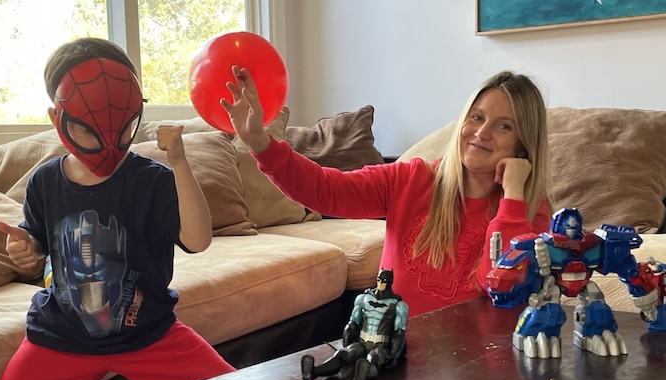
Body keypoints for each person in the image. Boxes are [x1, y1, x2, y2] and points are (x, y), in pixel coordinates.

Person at [0, 37, 234, 380]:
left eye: (121, 128)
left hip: (149, 333)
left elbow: (198, 240)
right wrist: (25, 250)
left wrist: (179, 162)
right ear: (58, 120)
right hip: (61, 336)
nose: (107, 144)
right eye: (88, 131)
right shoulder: (44, 182)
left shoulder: (153, 179)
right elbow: (37, 254)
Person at [222, 67, 553, 317]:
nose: (481, 133)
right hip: (398, 356)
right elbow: (326, 189)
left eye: (504, 126)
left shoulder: (529, 212)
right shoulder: (410, 179)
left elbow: (501, 284)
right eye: (477, 117)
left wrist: (513, 194)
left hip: (475, 366)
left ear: (523, 143)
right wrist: (260, 143)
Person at [301, 268, 409, 380]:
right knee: (342, 354)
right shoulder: (363, 298)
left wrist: (394, 354)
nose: (380, 283)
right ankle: (313, 372)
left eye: (384, 280)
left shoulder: (398, 305)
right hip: (362, 343)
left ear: (390, 282)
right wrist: (346, 341)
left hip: (381, 346)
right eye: (379, 279)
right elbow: (353, 322)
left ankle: (362, 377)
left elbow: (399, 332)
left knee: (373, 359)